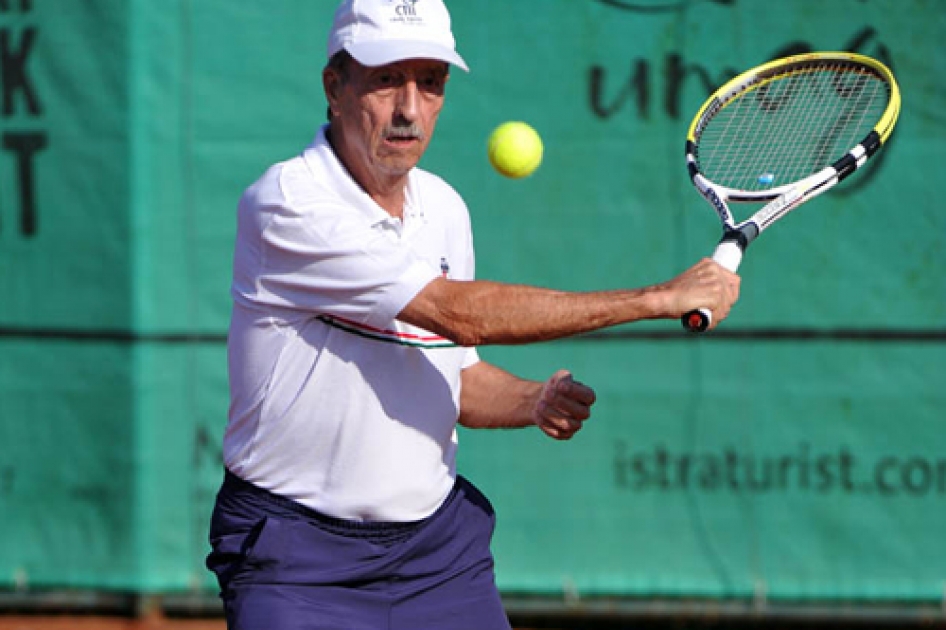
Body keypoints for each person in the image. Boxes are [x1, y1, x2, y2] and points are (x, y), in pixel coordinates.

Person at [205, 1, 740, 628]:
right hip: (297, 559)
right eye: (386, 79)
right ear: (335, 85)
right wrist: (654, 299)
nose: (410, 109)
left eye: (430, 82)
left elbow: (454, 373)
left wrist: (530, 400)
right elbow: (457, 316)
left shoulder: (445, 209)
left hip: (435, 556)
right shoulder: (288, 203)